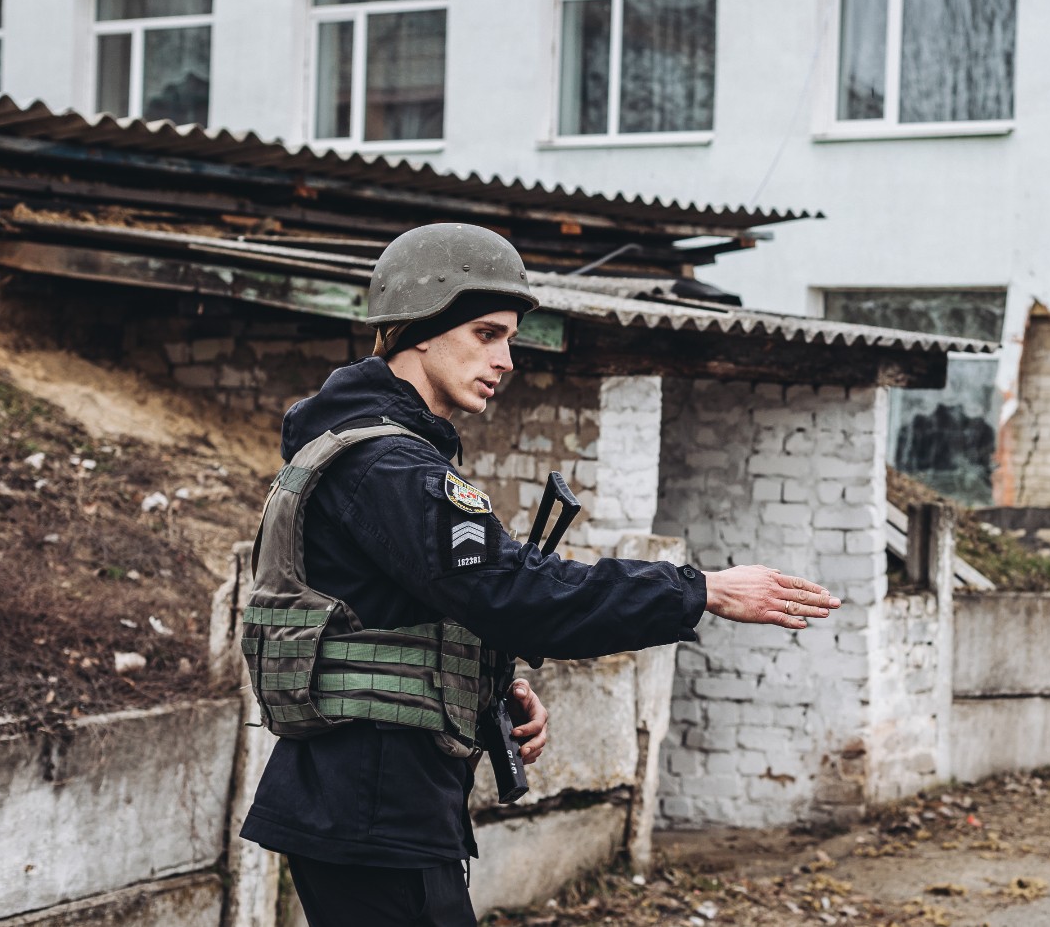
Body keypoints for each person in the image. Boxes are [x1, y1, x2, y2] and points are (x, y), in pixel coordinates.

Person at [238, 222, 839, 927]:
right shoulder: (389, 465)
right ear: (418, 330)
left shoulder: (373, 451)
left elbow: (404, 613)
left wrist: (486, 681)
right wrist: (700, 587)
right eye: (487, 333)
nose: (506, 358)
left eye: (510, 338)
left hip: (374, 802)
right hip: (374, 809)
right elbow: (515, 593)